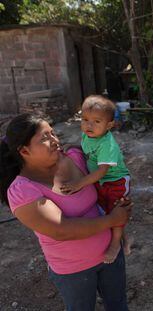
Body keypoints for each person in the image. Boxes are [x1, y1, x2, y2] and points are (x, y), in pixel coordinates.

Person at [0, 114, 132, 311]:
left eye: (53, 133)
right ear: (24, 150)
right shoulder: (22, 191)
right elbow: (62, 230)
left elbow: (106, 181)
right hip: (74, 270)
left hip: (111, 256)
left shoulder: (74, 157)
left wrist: (120, 207)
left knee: (118, 305)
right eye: (45, 138)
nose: (54, 140)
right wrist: (113, 220)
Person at [60, 95, 131, 264]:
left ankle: (115, 244)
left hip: (115, 181)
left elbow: (101, 171)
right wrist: (76, 147)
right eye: (85, 119)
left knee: (116, 211)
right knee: (105, 211)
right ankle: (124, 238)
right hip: (100, 181)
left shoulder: (107, 144)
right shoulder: (88, 135)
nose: (89, 125)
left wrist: (78, 184)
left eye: (96, 121)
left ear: (109, 125)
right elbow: (88, 151)